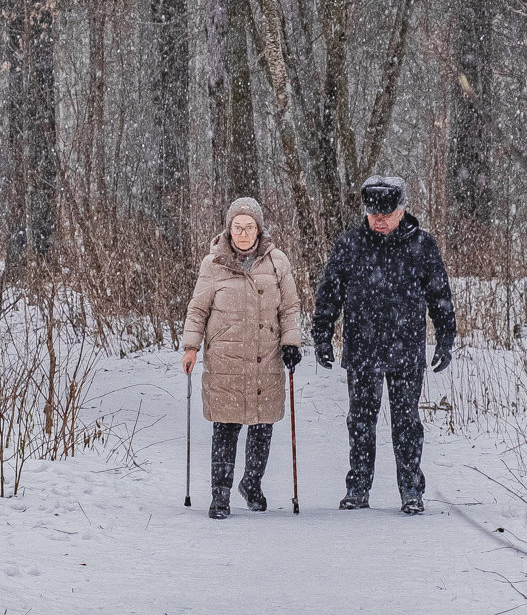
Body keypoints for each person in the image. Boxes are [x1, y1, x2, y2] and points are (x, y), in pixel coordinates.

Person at [311, 175, 455, 514]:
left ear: (402, 210)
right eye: (373, 212)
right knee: (360, 421)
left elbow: (440, 296)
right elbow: (329, 294)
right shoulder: (350, 245)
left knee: (407, 422)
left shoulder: (423, 246)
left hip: (406, 350)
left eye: (386, 213)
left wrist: (446, 338)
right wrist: (321, 334)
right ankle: (358, 487)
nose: (379, 219)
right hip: (362, 349)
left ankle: (411, 490)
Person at [182, 198, 303, 520]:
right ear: (229, 228)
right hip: (227, 361)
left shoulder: (277, 262)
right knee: (226, 426)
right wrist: (191, 347)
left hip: (267, 358)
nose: (244, 233)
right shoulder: (214, 263)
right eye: (238, 227)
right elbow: (198, 309)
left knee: (262, 426)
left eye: (249, 227)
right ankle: (219, 496)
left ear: (259, 228)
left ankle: (252, 483)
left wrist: (291, 341)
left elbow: (289, 308)